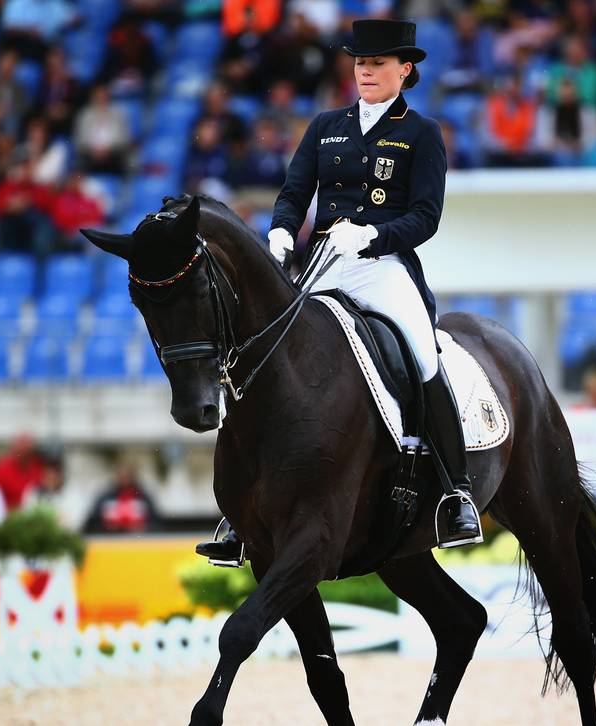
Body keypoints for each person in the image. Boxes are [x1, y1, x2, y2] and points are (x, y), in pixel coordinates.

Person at [197, 19, 483, 563]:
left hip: (384, 265)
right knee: (264, 355)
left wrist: (374, 234)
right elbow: (294, 191)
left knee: (424, 355)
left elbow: (426, 216)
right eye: (360, 63)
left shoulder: (421, 133)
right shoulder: (325, 125)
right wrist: (281, 230)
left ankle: (455, 491)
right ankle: (237, 511)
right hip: (323, 262)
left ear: (405, 69)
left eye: (377, 63)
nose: (366, 71)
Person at [84, 466, 156, 534]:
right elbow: (93, 522)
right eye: (122, 475)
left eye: (127, 475)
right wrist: (106, 527)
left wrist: (143, 527)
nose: (125, 479)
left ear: (133, 476)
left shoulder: (143, 497)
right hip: (109, 541)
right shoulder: (105, 497)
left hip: (139, 541)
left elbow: (154, 520)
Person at [0, 433, 47, 509]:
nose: (22, 454)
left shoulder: (40, 467)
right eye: (20, 450)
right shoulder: (0, 470)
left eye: (27, 451)